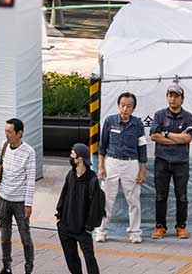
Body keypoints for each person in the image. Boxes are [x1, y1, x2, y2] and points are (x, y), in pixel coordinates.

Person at [97, 89, 148, 243]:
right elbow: (102, 146)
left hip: (131, 163)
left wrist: (142, 171)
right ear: (118, 106)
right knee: (106, 199)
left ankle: (135, 232)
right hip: (111, 162)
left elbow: (142, 148)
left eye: (129, 106)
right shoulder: (110, 121)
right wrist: (101, 167)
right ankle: (101, 230)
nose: (125, 109)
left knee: (133, 200)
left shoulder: (138, 124)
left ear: (133, 108)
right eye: (123, 105)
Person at [149, 82, 192, 238]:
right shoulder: (159, 115)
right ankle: (160, 226)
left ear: (182, 99)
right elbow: (154, 136)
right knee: (160, 195)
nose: (173, 99)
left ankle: (181, 226)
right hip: (162, 160)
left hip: (181, 162)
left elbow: (188, 137)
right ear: (167, 97)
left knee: (181, 195)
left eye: (176, 96)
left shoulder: (189, 117)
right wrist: (178, 138)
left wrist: (167, 134)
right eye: (170, 95)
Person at [56, 141, 107, 274]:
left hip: (83, 229)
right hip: (66, 226)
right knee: (71, 259)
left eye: (73, 155)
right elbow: (64, 195)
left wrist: (89, 227)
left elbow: (96, 207)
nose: (70, 157)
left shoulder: (92, 180)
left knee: (90, 259)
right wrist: (59, 216)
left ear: (80, 159)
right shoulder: (70, 175)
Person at [0, 117, 37, 274]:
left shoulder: (29, 152)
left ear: (19, 134)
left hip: (20, 201)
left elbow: (31, 179)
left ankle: (28, 268)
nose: (6, 134)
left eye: (9, 131)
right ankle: (6, 266)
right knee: (5, 236)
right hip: (4, 197)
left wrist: (29, 203)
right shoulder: (4, 146)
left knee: (25, 237)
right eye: (5, 131)